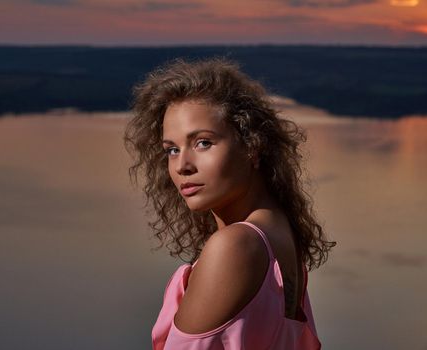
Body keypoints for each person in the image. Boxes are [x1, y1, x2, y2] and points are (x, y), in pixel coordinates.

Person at [123, 57, 336, 350]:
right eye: (172, 149)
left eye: (203, 143)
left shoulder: (236, 246)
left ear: (252, 145)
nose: (182, 165)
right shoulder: (279, 235)